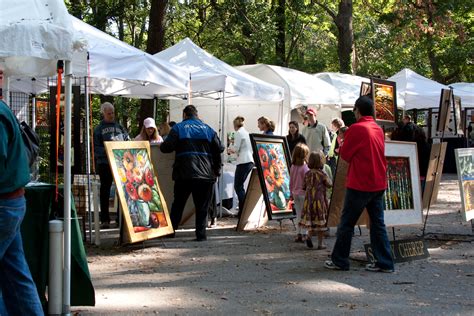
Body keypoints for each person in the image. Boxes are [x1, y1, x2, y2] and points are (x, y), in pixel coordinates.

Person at [324, 96, 394, 273]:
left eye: (354, 110)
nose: (354, 114)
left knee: (347, 223)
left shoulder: (357, 128)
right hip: (378, 182)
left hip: (360, 183)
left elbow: (345, 155)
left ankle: (340, 260)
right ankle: (385, 262)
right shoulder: (378, 129)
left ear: (358, 110)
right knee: (378, 224)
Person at [0, 100, 44, 315]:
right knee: (16, 274)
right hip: (10, 204)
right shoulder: (2, 109)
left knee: (16, 274)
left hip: (4, 205)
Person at [160, 105, 222, 241]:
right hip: (206, 175)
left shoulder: (178, 128)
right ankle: (201, 235)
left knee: (178, 204)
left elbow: (166, 148)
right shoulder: (208, 129)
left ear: (184, 115)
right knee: (202, 207)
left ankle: (171, 231)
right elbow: (220, 148)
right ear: (196, 114)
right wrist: (216, 169)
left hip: (184, 174)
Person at [93, 102, 130, 229]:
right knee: (105, 191)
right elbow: (95, 149)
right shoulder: (98, 129)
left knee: (123, 189)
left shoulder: (120, 127)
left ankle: (121, 218)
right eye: (109, 113)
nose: (111, 115)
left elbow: (127, 141)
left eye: (113, 112)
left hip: (120, 163)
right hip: (104, 164)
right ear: (103, 113)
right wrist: (110, 149)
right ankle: (105, 219)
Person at [300, 151, 332, 250]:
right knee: (320, 223)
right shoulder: (322, 174)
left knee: (312, 221)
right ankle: (320, 243)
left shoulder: (307, 174)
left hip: (309, 200)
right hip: (319, 201)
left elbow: (303, 186)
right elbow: (329, 184)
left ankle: (309, 237)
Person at [227, 116, 254, 218]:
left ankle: (243, 211)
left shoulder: (238, 133)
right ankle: (243, 210)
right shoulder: (246, 133)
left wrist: (229, 149)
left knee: (238, 186)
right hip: (249, 160)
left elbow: (236, 148)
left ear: (235, 125)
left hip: (243, 161)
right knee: (240, 187)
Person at [290, 143, 310, 243]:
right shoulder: (305, 168)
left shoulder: (293, 166)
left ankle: (298, 234)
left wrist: (290, 192)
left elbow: (291, 181)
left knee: (298, 214)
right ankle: (304, 234)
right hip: (303, 193)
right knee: (304, 215)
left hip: (295, 193)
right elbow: (307, 183)